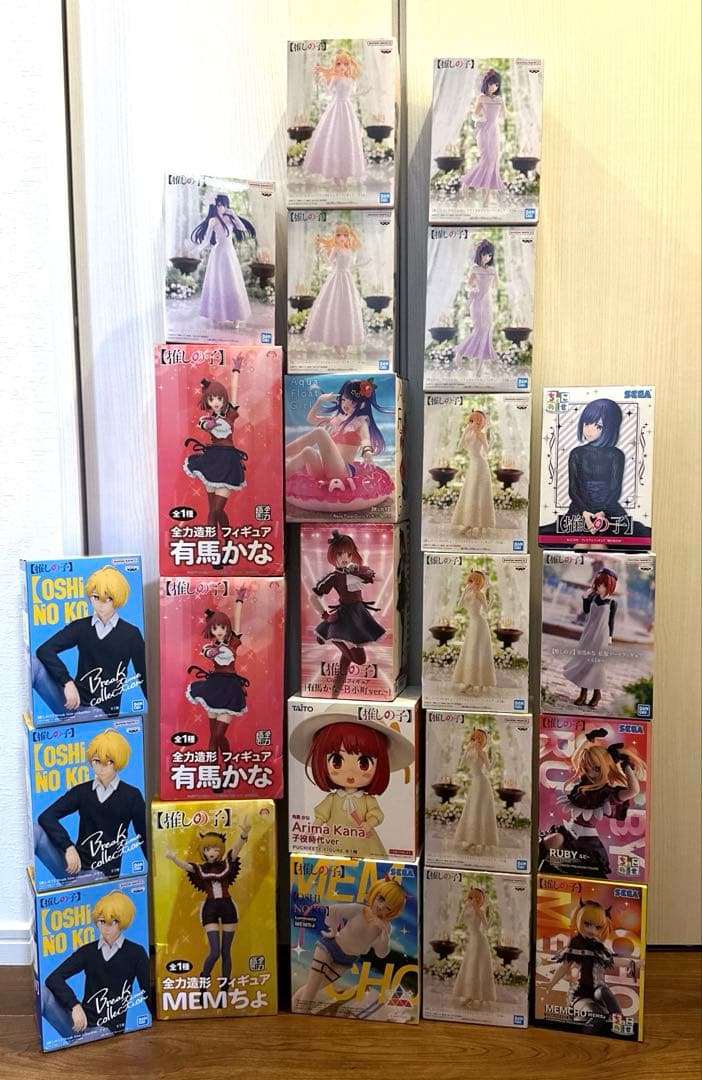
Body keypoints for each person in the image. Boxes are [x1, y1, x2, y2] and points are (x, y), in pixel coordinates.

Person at [289, 705, 414, 858]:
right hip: (334, 841)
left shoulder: (367, 801)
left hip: (363, 843)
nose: (350, 772)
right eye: (337, 761)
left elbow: (376, 814)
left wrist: (369, 823)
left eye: (364, 763)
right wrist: (314, 827)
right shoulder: (332, 799)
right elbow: (321, 815)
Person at [32, 566, 146, 721]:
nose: (101, 604)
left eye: (108, 598)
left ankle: (69, 729)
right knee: (32, 663)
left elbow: (144, 675)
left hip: (101, 711)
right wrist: (67, 681)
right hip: (74, 701)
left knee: (83, 719)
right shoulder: (81, 627)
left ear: (118, 599)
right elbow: (44, 650)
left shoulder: (131, 633)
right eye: (96, 597)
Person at [35, 727, 146, 884]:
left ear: (118, 761)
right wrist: (68, 846)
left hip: (102, 874)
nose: (101, 767)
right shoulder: (82, 791)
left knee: (89, 879)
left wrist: (157, 873)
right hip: (75, 866)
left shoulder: (131, 795)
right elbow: (46, 816)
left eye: (109, 761)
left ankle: (71, 893)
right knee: (35, 831)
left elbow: (144, 836)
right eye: (97, 761)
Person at [42, 891, 150, 1043]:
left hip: (108, 1028)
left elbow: (147, 991)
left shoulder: (136, 952)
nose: (106, 927)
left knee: (86, 1042)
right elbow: (53, 978)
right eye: (102, 921)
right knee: (43, 992)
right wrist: (75, 1005)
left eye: (113, 922)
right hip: (82, 1022)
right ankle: (74, 1041)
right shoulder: (88, 951)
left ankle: (78, 1043)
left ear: (122, 922)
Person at [539, 728, 645, 877]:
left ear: (606, 767)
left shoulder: (607, 794)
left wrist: (626, 766)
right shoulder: (584, 785)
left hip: (586, 840)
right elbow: (576, 759)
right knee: (550, 845)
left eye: (596, 769)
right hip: (569, 831)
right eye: (587, 768)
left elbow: (633, 790)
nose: (590, 773)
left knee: (581, 868)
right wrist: (589, 739)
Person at [292, 877, 406, 1011]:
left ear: (392, 911)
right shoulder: (359, 910)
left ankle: (293, 1007)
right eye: (380, 899)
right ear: (375, 894)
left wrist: (384, 935)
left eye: (387, 907)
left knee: (312, 988)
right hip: (329, 948)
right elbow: (333, 910)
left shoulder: (385, 927)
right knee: (311, 991)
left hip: (345, 962)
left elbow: (381, 954)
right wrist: (333, 930)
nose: (381, 907)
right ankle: (300, 1016)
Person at [285, 378, 394, 511]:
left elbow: (365, 438)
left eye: (352, 401)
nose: (346, 404)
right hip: (326, 470)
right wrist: (319, 401)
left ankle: (283, 452)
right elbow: (311, 419)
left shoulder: (360, 422)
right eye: (343, 399)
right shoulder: (337, 419)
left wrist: (367, 451)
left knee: (320, 432)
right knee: (308, 451)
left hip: (343, 471)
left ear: (362, 404)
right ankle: (280, 476)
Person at [165, 821, 250, 988]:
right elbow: (187, 866)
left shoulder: (226, 863)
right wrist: (173, 858)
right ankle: (204, 979)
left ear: (220, 849)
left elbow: (236, 850)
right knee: (215, 951)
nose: (212, 852)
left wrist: (244, 834)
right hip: (210, 908)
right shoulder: (201, 869)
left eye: (216, 849)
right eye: (208, 849)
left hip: (227, 906)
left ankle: (225, 986)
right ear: (203, 851)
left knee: (226, 951)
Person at [310, 530, 385, 697]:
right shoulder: (333, 577)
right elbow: (313, 597)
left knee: (345, 662)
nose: (345, 558)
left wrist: (359, 570)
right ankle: (335, 638)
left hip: (359, 614)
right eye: (340, 554)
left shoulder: (356, 571)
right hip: (346, 617)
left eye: (349, 554)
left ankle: (334, 695)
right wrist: (325, 615)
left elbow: (380, 578)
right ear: (333, 555)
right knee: (360, 659)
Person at [183, 357, 247, 534]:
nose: (216, 402)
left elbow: (234, 390)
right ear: (208, 400)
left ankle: (225, 540)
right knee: (212, 510)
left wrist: (236, 370)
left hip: (228, 462)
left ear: (224, 398)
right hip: (212, 460)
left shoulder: (230, 413)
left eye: (219, 398)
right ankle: (214, 545)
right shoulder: (207, 419)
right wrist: (207, 424)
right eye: (212, 399)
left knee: (217, 509)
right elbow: (203, 425)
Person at [542, 899, 623, 1032]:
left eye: (598, 927)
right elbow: (565, 966)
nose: (592, 931)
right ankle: (580, 1036)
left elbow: (614, 961)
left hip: (597, 993)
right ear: (578, 920)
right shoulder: (576, 943)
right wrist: (551, 983)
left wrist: (635, 963)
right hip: (580, 996)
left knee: (603, 991)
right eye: (587, 924)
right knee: (597, 1017)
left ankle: (620, 1026)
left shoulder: (599, 947)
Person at [186, 590, 249, 755]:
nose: (219, 630)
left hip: (230, 688)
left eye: (222, 627)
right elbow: (207, 653)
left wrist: (239, 600)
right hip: (214, 687)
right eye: (215, 627)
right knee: (213, 738)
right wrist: (211, 652)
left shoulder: (233, 641)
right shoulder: (211, 647)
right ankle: (215, 766)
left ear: (227, 627)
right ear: (211, 629)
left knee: (219, 735)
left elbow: (238, 620)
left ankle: (227, 763)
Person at [303, 50, 365, 188]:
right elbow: (330, 90)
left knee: (347, 137)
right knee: (334, 135)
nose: (342, 67)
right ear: (335, 65)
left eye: (345, 64)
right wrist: (326, 78)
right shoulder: (335, 78)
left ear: (348, 65)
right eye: (339, 64)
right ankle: (335, 174)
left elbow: (352, 93)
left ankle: (345, 173)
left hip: (347, 109)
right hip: (336, 106)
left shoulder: (351, 80)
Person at [191, 193, 255, 325]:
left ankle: (236, 317)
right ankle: (215, 314)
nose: (221, 208)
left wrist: (234, 215)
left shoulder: (229, 219)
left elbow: (242, 228)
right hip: (218, 254)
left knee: (232, 282)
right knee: (217, 282)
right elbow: (207, 240)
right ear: (214, 206)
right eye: (219, 205)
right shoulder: (212, 221)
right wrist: (196, 250)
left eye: (223, 205)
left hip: (229, 253)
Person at [304, 223, 364, 352]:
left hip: (347, 279)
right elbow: (330, 262)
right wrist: (323, 253)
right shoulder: (336, 249)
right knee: (335, 305)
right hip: (337, 277)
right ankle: (336, 342)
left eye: (345, 235)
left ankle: (345, 340)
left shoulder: (349, 250)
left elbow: (353, 261)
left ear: (348, 237)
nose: (342, 238)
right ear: (335, 236)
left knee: (347, 307)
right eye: (339, 235)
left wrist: (363, 262)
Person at [563, 568, 618, 709]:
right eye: (598, 584)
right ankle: (583, 694)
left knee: (596, 664)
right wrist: (585, 598)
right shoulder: (593, 597)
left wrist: (610, 637)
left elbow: (611, 621)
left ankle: (597, 694)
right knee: (584, 662)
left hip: (602, 635)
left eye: (603, 585)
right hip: (589, 633)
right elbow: (586, 611)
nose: (599, 587)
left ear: (610, 586)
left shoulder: (613, 603)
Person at [461, 69, 506, 202]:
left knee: (494, 161)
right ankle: (466, 183)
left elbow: (503, 116)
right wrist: (481, 119)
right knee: (486, 160)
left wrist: (500, 114)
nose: (494, 87)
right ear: (486, 84)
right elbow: (474, 115)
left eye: (496, 85)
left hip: (495, 132)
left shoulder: (499, 99)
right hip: (484, 130)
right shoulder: (482, 98)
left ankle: (487, 197)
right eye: (492, 84)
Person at [455, 241, 499, 373]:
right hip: (477, 301)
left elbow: (496, 286)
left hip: (488, 302)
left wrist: (495, 276)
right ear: (479, 254)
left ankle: (479, 368)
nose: (487, 258)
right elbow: (468, 285)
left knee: (487, 330)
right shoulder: (475, 269)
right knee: (479, 329)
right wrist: (473, 290)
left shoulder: (492, 270)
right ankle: (460, 352)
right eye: (484, 255)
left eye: (489, 255)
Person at [450, 409, 496, 534]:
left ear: (481, 422)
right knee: (470, 492)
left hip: (481, 465)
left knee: (480, 493)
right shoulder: (469, 433)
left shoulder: (481, 434)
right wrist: (466, 431)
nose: (473, 423)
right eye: (472, 420)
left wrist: (489, 441)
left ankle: (480, 524)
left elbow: (487, 450)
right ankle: (469, 522)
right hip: (473, 465)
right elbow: (460, 446)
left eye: (476, 421)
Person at [451, 570, 497, 693]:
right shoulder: (468, 593)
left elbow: (486, 610)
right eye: (471, 581)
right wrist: (465, 591)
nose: (473, 583)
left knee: (477, 651)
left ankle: (479, 682)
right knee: (470, 650)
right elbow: (459, 605)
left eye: (476, 582)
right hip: (473, 624)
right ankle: (469, 681)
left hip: (480, 624)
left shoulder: (480, 594)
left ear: (480, 583)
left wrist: (492, 600)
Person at [454, 729, 499, 851]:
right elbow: (461, 764)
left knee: (481, 809)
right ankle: (471, 839)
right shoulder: (470, 752)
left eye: (479, 739)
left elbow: (488, 769)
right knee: (473, 808)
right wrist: (467, 749)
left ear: (483, 741)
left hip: (483, 782)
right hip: (475, 783)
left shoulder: (483, 753)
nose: (476, 741)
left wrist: (494, 759)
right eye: (475, 738)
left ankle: (482, 841)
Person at [453, 887, 496, 1006]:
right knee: (470, 965)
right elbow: (459, 921)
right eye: (472, 897)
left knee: (477, 966)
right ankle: (469, 994)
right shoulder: (468, 910)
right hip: (473, 940)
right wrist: (465, 907)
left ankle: (476, 995)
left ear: (480, 899)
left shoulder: (480, 911)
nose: (473, 900)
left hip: (480, 940)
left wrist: (491, 918)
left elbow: (486, 927)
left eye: (477, 898)